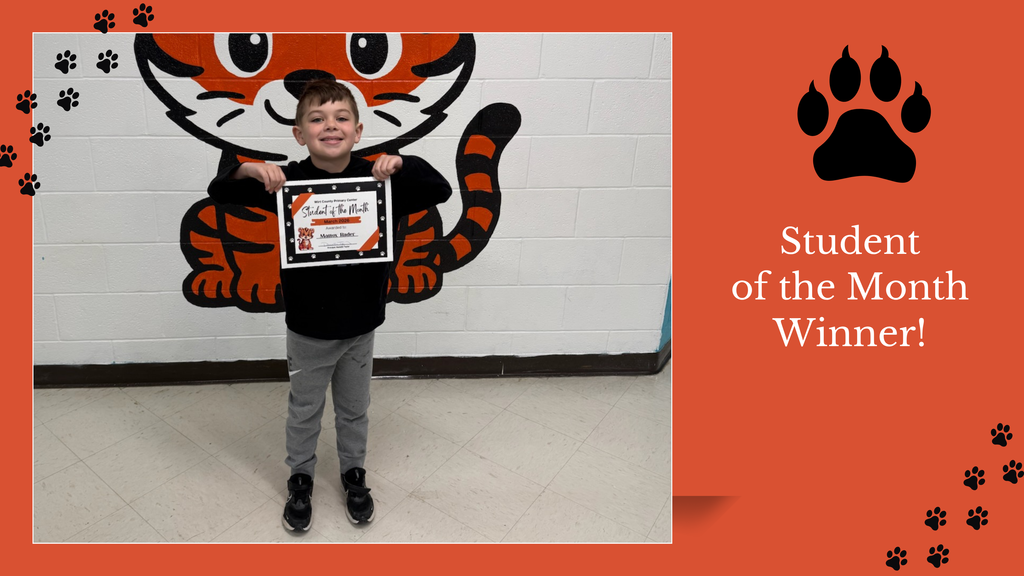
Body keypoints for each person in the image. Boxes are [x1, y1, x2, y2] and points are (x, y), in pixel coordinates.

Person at [207, 78, 452, 532]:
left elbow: (439, 190)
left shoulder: (381, 178)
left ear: (358, 131)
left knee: (355, 409)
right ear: (299, 134)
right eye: (316, 119)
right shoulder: (287, 182)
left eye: (341, 118)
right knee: (305, 409)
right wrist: (248, 170)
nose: (330, 126)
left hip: (361, 324)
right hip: (307, 327)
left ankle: (353, 473)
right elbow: (220, 192)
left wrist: (403, 163)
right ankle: (300, 477)